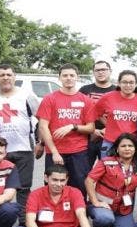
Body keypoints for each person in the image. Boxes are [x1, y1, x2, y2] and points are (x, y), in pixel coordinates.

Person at [0, 64, 40, 221]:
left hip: (24, 147)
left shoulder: (27, 95)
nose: (5, 78)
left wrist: (40, 142)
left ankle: (24, 222)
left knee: (23, 187)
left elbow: (41, 119)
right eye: (1, 75)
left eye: (9, 74)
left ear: (15, 77)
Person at [12, 165, 97, 227]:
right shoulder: (35, 194)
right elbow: (29, 221)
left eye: (62, 180)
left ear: (67, 179)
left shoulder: (75, 192)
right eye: (55, 180)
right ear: (46, 178)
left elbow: (81, 215)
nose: (59, 184)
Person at [36, 64, 97, 195]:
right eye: (65, 75)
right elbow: (43, 126)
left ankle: (78, 214)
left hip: (79, 152)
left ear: (77, 77)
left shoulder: (85, 100)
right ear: (59, 78)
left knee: (79, 187)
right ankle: (51, 213)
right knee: (53, 186)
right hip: (56, 152)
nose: (68, 78)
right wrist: (54, 152)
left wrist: (73, 127)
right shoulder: (49, 99)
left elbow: (91, 128)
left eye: (71, 75)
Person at [93, 70, 137, 158]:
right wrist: (108, 124)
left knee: (130, 170)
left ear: (136, 84)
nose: (128, 85)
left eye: (131, 82)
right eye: (124, 82)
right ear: (118, 83)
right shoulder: (108, 97)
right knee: (108, 169)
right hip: (110, 142)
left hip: (132, 144)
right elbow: (96, 113)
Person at [80, 61, 119, 167]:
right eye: (97, 70)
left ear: (110, 71)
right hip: (88, 137)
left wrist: (109, 129)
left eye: (103, 70)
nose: (100, 72)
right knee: (84, 171)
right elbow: (78, 114)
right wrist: (93, 130)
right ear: (93, 72)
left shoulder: (118, 91)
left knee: (109, 172)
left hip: (111, 139)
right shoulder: (84, 90)